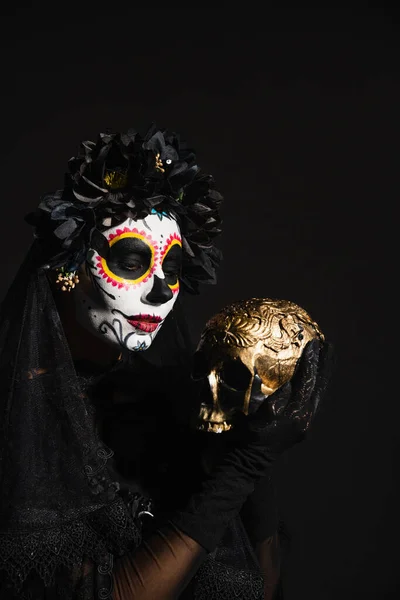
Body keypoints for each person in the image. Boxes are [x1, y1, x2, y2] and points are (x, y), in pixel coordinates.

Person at [0, 125, 333, 599]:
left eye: (172, 268)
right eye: (131, 262)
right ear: (67, 270)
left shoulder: (166, 400)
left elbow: (263, 583)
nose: (160, 291)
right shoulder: (22, 417)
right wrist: (242, 466)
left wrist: (251, 443)